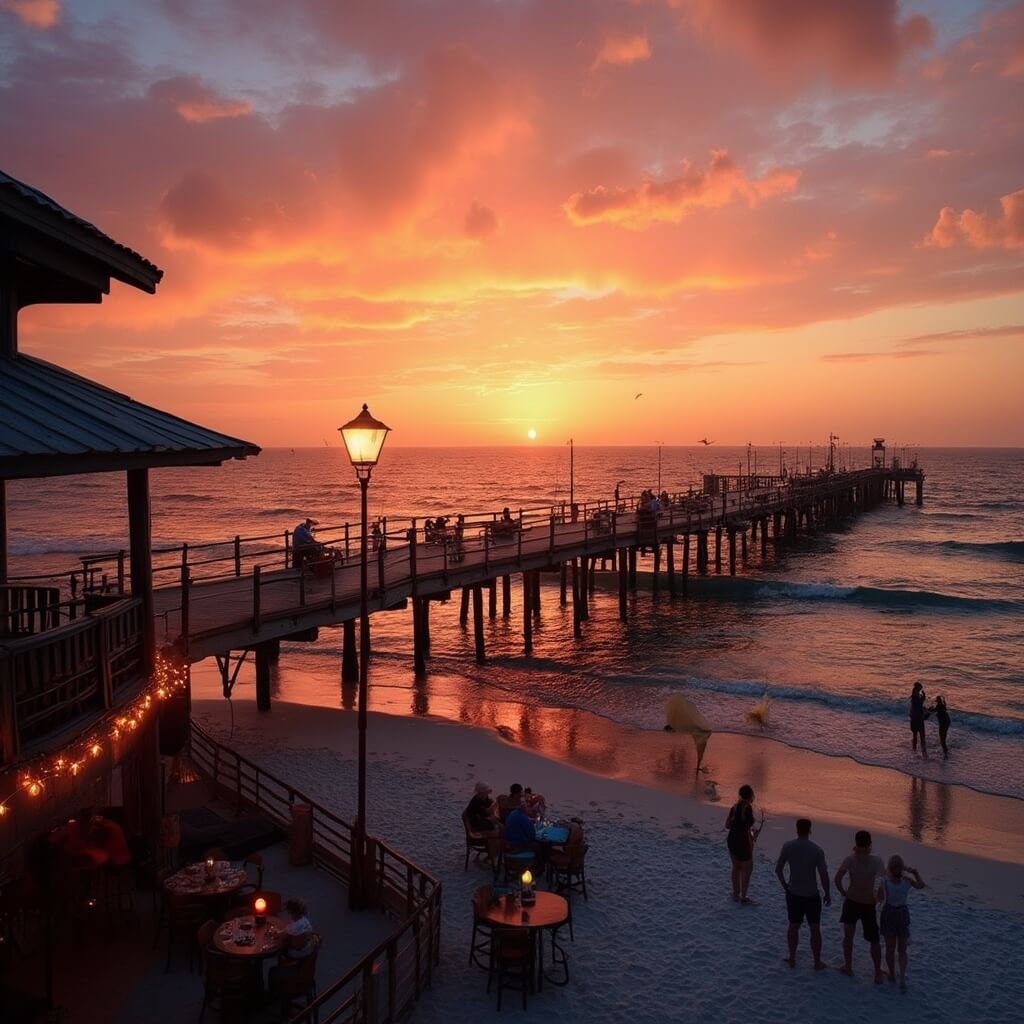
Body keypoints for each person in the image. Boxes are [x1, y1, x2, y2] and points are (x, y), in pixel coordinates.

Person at [775, 818, 831, 970]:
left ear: (797, 829)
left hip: (794, 893)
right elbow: (823, 875)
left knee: (793, 926)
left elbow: (778, 869)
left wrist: (785, 886)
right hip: (811, 894)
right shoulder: (817, 850)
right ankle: (817, 961)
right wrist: (827, 893)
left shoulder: (788, 846)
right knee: (815, 928)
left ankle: (792, 958)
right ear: (810, 830)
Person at [835, 830, 885, 983]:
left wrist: (843, 892)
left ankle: (848, 967)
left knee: (848, 936)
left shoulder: (850, 860)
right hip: (868, 903)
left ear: (856, 843)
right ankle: (877, 973)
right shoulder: (876, 861)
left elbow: (837, 879)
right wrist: (878, 897)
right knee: (874, 940)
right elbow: (883, 883)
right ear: (870, 844)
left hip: (852, 901)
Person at [877, 854, 926, 989]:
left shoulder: (885, 882)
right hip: (902, 913)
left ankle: (892, 974)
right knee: (902, 949)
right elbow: (921, 885)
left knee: (890, 948)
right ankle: (902, 975)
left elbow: (878, 898)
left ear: (889, 868)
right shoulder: (906, 881)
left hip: (889, 913)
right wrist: (915, 873)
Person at [725, 784, 761, 904]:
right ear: (751, 796)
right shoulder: (748, 808)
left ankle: (736, 894)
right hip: (743, 842)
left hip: (732, 840)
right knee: (747, 869)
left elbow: (727, 825)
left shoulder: (734, 807)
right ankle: (744, 897)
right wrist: (754, 835)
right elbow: (748, 828)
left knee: (736, 867)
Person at [910, 682, 928, 758]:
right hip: (918, 719)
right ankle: (924, 755)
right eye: (919, 690)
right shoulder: (916, 697)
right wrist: (923, 698)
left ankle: (914, 752)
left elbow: (917, 706)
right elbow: (919, 706)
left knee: (915, 735)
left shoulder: (914, 696)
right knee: (922, 736)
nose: (919, 692)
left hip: (914, 718)